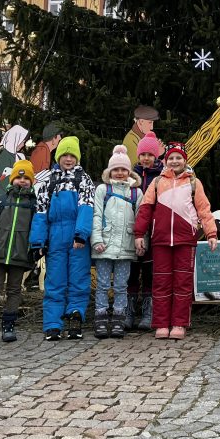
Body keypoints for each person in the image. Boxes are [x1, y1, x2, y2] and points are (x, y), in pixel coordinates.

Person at [133, 142, 218, 340]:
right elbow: (145, 209)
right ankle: (161, 324)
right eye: (170, 158)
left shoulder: (194, 183)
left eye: (178, 157)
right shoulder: (157, 183)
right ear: (165, 161)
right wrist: (139, 234)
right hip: (161, 240)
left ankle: (179, 323)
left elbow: (204, 210)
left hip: (185, 240)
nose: (174, 161)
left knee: (182, 283)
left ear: (185, 160)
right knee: (161, 283)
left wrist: (211, 233)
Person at [29, 136, 96, 341]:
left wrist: (81, 234)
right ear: (58, 157)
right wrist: (38, 241)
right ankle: (52, 324)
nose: (68, 159)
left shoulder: (84, 179)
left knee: (78, 279)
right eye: (65, 155)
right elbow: (41, 213)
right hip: (55, 237)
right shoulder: (49, 181)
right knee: (55, 281)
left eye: (72, 155)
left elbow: (87, 207)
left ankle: (75, 318)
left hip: (77, 238)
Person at [0, 160, 38, 345]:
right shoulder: (0, 200)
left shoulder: (34, 205)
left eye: (26, 178)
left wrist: (35, 250)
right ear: (12, 180)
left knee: (14, 290)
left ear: (31, 181)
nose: (22, 181)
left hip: (20, 255)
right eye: (18, 177)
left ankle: (8, 326)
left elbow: (38, 229)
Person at [92, 145, 142, 339]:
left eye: (123, 169)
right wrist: (96, 239)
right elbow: (97, 215)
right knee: (103, 285)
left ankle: (119, 320)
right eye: (116, 169)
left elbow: (141, 220)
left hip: (126, 247)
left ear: (129, 172)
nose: (120, 173)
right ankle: (101, 319)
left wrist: (141, 242)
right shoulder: (102, 190)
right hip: (103, 246)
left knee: (121, 286)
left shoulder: (136, 193)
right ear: (110, 171)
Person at [126, 130, 164, 331]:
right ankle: (129, 311)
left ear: (156, 156)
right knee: (132, 271)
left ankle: (149, 312)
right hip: (133, 229)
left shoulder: (162, 176)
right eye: (143, 154)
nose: (146, 158)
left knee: (150, 272)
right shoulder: (131, 176)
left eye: (150, 154)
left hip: (154, 230)